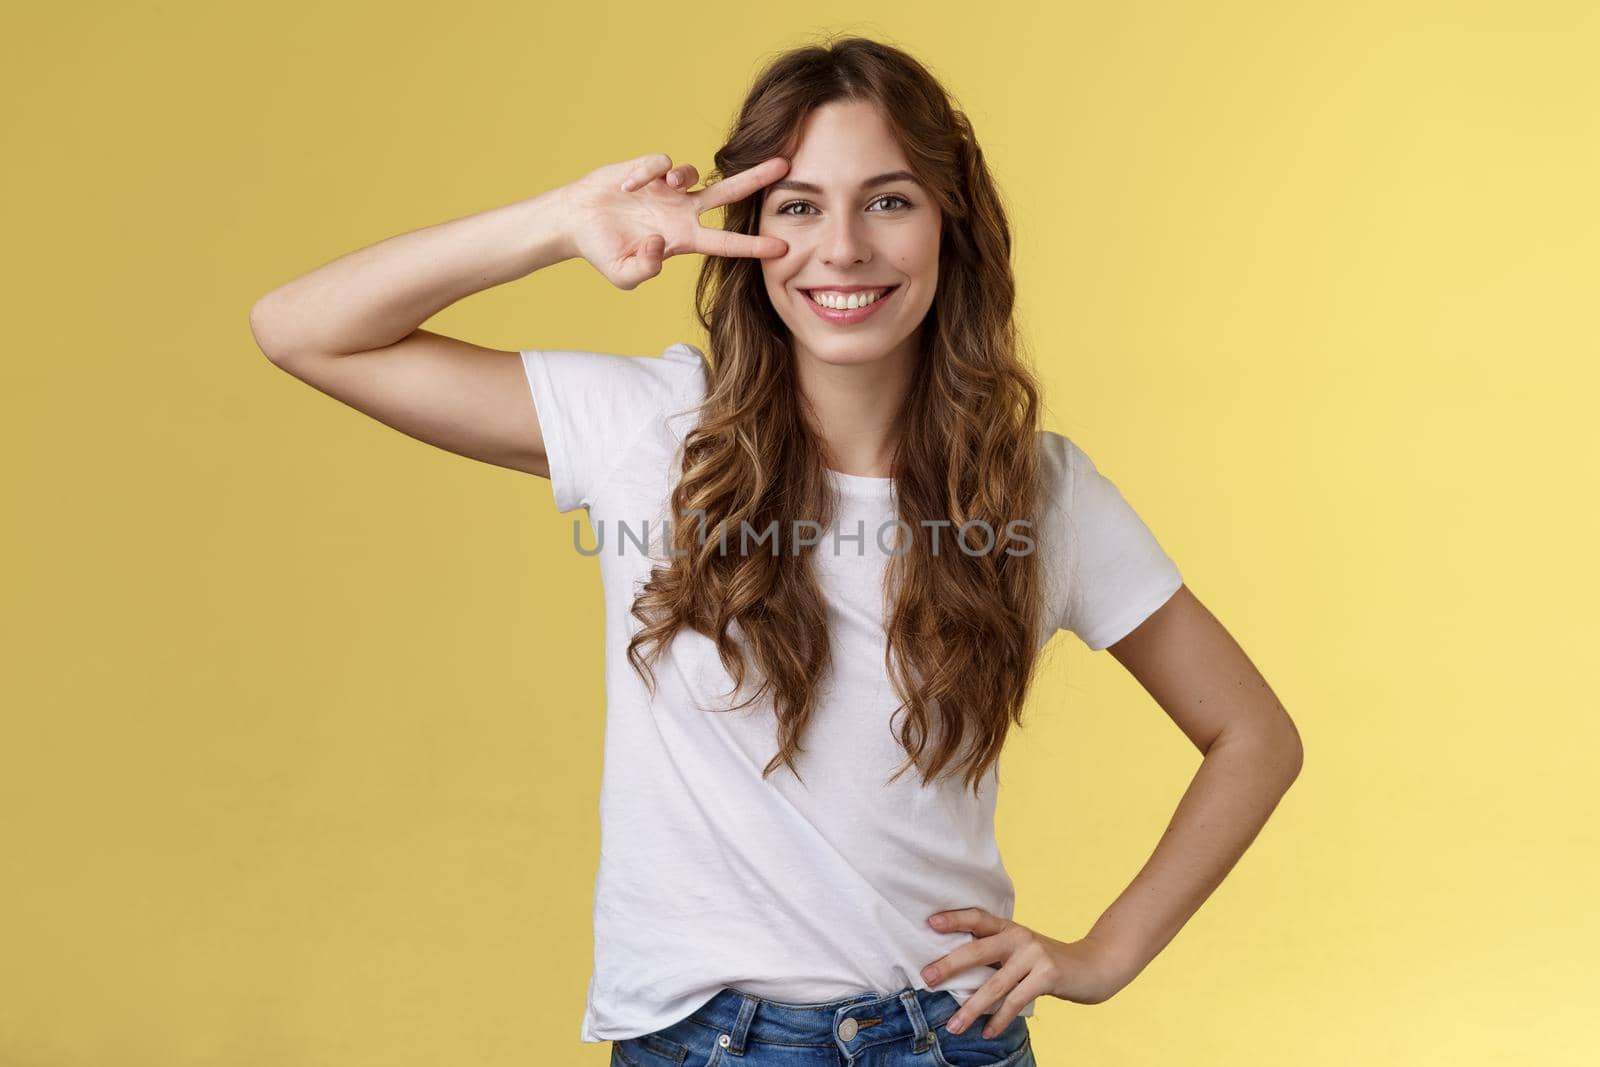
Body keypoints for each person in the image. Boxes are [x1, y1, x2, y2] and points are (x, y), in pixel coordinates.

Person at [250, 34, 1303, 1067]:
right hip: (708, 1045)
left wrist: (1102, 955)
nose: (841, 248)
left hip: (951, 1040)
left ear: (951, 226)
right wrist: (561, 222)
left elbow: (1252, 734)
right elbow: (304, 327)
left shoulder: (1037, 491)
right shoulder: (654, 431)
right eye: (798, 207)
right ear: (746, 234)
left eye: (888, 200)